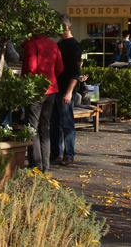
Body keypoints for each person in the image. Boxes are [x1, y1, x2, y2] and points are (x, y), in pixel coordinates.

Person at [22, 30, 64, 172]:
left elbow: (30, 68)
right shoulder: (52, 44)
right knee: (44, 127)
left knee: (32, 127)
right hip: (51, 89)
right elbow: (59, 67)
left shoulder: (31, 44)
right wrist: (50, 79)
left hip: (35, 90)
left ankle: (36, 165)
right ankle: (45, 166)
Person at [51, 14, 82, 166]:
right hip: (56, 88)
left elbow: (76, 71)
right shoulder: (60, 43)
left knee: (67, 123)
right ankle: (56, 152)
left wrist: (70, 91)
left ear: (66, 27)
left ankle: (69, 154)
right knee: (55, 122)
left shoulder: (73, 45)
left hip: (65, 90)